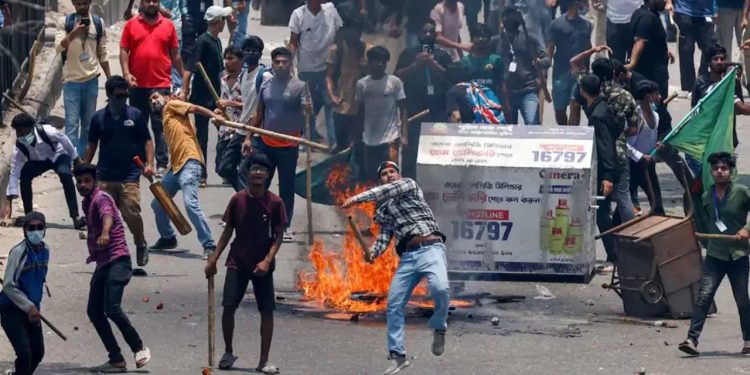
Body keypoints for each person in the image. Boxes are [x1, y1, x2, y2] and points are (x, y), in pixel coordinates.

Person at [341, 161, 450, 375]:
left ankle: (439, 326)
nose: (389, 176)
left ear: (399, 175)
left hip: (431, 248)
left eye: (392, 172)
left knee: (440, 288)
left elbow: (387, 190)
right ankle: (397, 356)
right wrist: (372, 253)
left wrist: (355, 199)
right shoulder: (384, 211)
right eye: (384, 174)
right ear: (380, 179)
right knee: (394, 304)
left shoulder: (409, 186)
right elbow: (384, 238)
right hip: (408, 258)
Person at [205, 155, 287, 374]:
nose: (258, 173)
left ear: (268, 175)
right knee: (228, 307)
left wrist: (267, 261)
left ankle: (263, 360)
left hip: (262, 264)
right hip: (237, 261)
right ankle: (228, 351)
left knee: (266, 311)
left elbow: (279, 235)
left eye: (262, 170)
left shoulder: (275, 202)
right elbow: (227, 230)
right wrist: (214, 258)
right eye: (254, 169)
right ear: (248, 173)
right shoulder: (237, 200)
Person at [73, 163, 151, 372]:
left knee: (112, 308)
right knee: (94, 311)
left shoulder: (101, 198)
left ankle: (139, 347)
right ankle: (116, 358)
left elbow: (107, 215)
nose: (82, 185)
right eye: (79, 182)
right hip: (103, 262)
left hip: (118, 260)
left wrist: (105, 233)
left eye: (87, 181)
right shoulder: (87, 202)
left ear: (95, 182)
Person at [677, 152, 750, 356]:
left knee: (743, 299)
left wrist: (747, 229)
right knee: (704, 297)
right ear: (711, 171)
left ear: (731, 172)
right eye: (716, 168)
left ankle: (748, 340)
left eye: (724, 168)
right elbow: (698, 218)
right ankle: (692, 339)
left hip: (738, 255)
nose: (719, 171)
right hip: (715, 255)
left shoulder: (742, 192)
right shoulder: (707, 195)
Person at [85, 75, 155, 267]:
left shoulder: (135, 115)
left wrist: (150, 164)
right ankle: (109, 254)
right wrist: (85, 167)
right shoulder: (98, 118)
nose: (122, 100)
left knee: (131, 212)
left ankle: (140, 243)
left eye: (125, 95)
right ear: (108, 95)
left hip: (130, 174)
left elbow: (147, 140)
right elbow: (92, 144)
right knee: (105, 216)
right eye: (118, 96)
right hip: (105, 176)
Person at [243, 47, 311, 242]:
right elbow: (258, 114)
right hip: (266, 142)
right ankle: (258, 221)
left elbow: (308, 115)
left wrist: (308, 109)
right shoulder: (266, 85)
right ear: (272, 64)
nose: (281, 65)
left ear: (291, 64)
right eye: (277, 62)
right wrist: (249, 137)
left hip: (289, 144)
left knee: (286, 187)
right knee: (260, 182)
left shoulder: (300, 86)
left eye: (285, 62)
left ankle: (284, 225)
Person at [146, 92, 218, 258]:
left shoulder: (171, 105)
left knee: (190, 203)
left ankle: (209, 245)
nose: (153, 101)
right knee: (158, 203)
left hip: (189, 163)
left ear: (167, 97)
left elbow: (194, 108)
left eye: (156, 97)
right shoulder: (167, 118)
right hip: (176, 168)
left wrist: (214, 115)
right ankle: (168, 237)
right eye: (150, 100)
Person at [120, 0, 186, 177]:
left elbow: (175, 53)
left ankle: (162, 163)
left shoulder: (168, 25)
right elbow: (124, 50)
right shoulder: (131, 25)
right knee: (138, 124)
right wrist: (126, 74)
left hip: (161, 84)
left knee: (160, 126)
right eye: (148, 0)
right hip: (137, 85)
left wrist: (184, 74)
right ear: (142, 3)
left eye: (154, 0)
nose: (151, 3)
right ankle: (141, 163)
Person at [1, 114, 85, 229]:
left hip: (57, 155)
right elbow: (14, 171)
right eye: (19, 133)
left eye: (24, 132)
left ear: (31, 128)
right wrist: (8, 200)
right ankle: (29, 217)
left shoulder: (48, 132)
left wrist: (76, 159)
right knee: (24, 176)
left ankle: (75, 217)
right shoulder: (20, 146)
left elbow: (65, 141)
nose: (22, 135)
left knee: (65, 174)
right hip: (38, 161)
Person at [394, 18, 452, 178]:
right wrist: (414, 66)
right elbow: (396, 77)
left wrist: (433, 64)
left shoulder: (443, 55)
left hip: (437, 112)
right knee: (410, 153)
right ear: (418, 35)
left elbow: (451, 78)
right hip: (414, 111)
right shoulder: (408, 53)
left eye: (431, 32)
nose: (427, 35)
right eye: (424, 32)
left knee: (437, 153)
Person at [182, 5, 232, 185]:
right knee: (201, 136)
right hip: (202, 97)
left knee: (226, 132)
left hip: (217, 96)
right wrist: (184, 92)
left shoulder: (217, 41)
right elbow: (189, 69)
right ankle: (202, 174)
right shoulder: (202, 41)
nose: (225, 24)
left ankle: (226, 169)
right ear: (218, 22)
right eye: (224, 20)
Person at [54, 0, 111, 156]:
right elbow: (58, 47)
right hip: (71, 82)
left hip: (91, 81)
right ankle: (73, 160)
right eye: (78, 4)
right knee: (72, 124)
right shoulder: (65, 22)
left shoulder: (98, 23)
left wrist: (110, 79)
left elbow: (102, 53)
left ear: (90, 3)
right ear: (73, 4)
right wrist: (73, 33)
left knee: (87, 125)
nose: (82, 7)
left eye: (85, 3)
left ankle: (83, 160)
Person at [579, 74, 622, 266]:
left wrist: (608, 176)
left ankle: (614, 253)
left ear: (583, 91)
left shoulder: (597, 115)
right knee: (605, 212)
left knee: (603, 214)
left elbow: (605, 146)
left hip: (605, 170)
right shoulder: (602, 107)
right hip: (608, 168)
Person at [0, 211, 49, 375]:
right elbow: (8, 285)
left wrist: (34, 306)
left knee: (38, 353)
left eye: (39, 227)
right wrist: (28, 306)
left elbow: (39, 279)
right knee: (24, 354)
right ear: (25, 231)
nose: (36, 231)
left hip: (32, 309)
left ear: (44, 229)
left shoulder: (45, 250)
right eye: (31, 228)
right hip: (12, 309)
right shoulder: (19, 252)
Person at [221, 36, 272, 192]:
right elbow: (246, 104)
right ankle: (248, 197)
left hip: (255, 133)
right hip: (240, 129)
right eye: (247, 51)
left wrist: (250, 136)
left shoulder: (264, 76)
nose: (251, 54)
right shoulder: (242, 76)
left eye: (254, 51)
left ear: (260, 53)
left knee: (244, 171)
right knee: (225, 167)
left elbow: (262, 108)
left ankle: (247, 205)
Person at [289, 0, 343, 146]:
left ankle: (334, 142)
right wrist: (289, 62)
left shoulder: (331, 10)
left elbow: (339, 35)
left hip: (328, 67)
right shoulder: (298, 14)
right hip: (306, 68)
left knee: (330, 104)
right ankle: (307, 138)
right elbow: (293, 41)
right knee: (307, 105)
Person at [355, 46, 408, 182]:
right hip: (369, 139)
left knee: (391, 176)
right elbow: (360, 111)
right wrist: (356, 136)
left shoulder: (394, 82)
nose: (381, 64)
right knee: (372, 177)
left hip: (391, 137)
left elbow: (403, 109)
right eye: (377, 61)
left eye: (384, 62)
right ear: (370, 62)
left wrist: (404, 135)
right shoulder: (362, 84)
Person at [496, 6, 550, 125]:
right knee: (508, 129)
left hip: (528, 90)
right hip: (506, 94)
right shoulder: (497, 41)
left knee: (532, 124)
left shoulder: (529, 38)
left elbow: (546, 59)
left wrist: (540, 63)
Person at [326, 18, 371, 154]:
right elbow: (328, 76)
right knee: (340, 144)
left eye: (357, 31)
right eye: (351, 31)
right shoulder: (336, 51)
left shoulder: (367, 51)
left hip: (361, 106)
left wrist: (366, 67)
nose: (354, 34)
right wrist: (332, 96)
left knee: (357, 144)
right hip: (341, 105)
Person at [546, 0, 592, 125]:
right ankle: (564, 132)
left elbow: (588, 47)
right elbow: (550, 48)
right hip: (560, 71)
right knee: (559, 109)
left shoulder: (587, 25)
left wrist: (587, 71)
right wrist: (545, 66)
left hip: (579, 72)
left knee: (575, 104)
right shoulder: (556, 25)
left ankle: (573, 135)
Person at [666, 0, 718, 95]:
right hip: (683, 11)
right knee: (686, 50)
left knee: (710, 47)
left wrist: (715, 9)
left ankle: (703, 77)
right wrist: (669, 2)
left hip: (705, 12)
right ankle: (690, 87)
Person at [628, 80, 664, 215]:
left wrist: (656, 146)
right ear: (648, 97)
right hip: (634, 165)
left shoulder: (656, 115)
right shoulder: (634, 116)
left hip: (649, 164)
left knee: (657, 202)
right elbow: (624, 144)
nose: (659, 97)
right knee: (628, 205)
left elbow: (650, 138)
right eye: (656, 94)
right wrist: (640, 156)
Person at [627, 0, 675, 99]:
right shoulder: (647, 17)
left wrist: (664, 51)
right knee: (657, 107)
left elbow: (651, 38)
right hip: (652, 73)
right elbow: (640, 41)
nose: (665, 1)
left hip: (652, 69)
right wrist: (632, 63)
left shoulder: (643, 12)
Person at [215, 46, 245, 187]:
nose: (227, 62)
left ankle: (244, 190)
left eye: (231, 58)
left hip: (240, 127)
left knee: (231, 165)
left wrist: (231, 103)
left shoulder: (246, 80)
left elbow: (251, 105)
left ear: (241, 60)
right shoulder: (223, 79)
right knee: (221, 167)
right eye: (226, 58)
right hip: (225, 128)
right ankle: (241, 188)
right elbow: (222, 99)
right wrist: (218, 111)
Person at [159, 0, 185, 90]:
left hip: (176, 23)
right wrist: (161, 9)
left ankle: (177, 86)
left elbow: (183, 4)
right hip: (158, 24)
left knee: (176, 55)